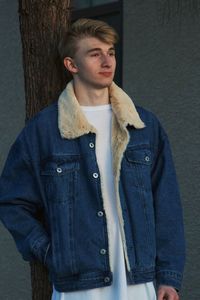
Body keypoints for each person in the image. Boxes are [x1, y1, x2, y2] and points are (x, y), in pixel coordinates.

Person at [0, 18, 185, 300]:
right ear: (71, 65)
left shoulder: (143, 126)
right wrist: (51, 251)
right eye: (95, 53)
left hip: (138, 280)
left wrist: (169, 277)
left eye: (110, 52)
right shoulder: (45, 130)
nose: (107, 61)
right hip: (78, 285)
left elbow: (166, 202)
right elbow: (12, 201)